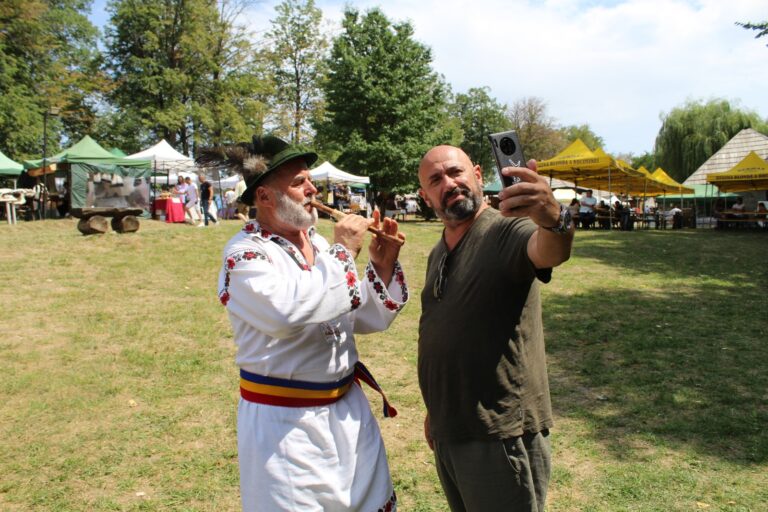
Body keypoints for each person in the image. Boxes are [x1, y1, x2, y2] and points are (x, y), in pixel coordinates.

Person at [207, 134, 408, 511]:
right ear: (265, 196)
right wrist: (345, 251)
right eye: (299, 182)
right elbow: (287, 314)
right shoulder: (246, 255)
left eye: (309, 179)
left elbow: (359, 317)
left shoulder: (317, 245)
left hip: (350, 416)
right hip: (285, 430)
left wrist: (381, 264)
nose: (313, 189)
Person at [417, 145, 574, 512]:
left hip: (498, 433)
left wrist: (553, 217)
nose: (449, 184)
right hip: (451, 427)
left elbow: (549, 251)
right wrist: (436, 409)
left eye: (456, 172)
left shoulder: (506, 230)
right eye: (436, 180)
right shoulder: (439, 251)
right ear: (425, 197)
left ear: (477, 173)